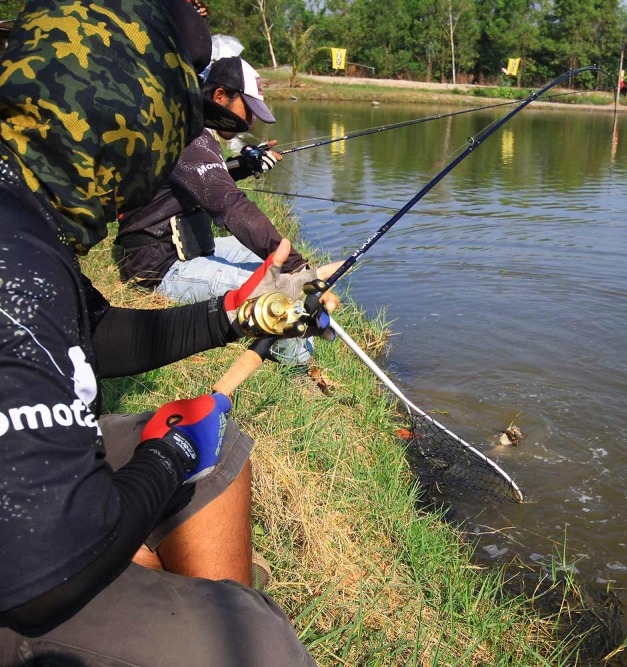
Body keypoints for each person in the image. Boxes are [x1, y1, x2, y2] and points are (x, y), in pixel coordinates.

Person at [0, 0, 340, 663]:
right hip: (31, 568)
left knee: (224, 455)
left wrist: (237, 316)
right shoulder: (14, 257)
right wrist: (166, 459)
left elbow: (97, 335)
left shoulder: (24, 214)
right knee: (263, 641)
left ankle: (198, 609)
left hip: (36, 490)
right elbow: (44, 575)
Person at [116, 56, 313, 363]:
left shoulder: (193, 127)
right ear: (220, 97)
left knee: (262, 263)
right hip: (159, 265)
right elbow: (230, 205)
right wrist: (298, 268)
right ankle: (303, 368)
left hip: (194, 248)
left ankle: (303, 340)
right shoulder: (190, 136)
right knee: (270, 292)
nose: (250, 122)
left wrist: (243, 166)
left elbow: (196, 181)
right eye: (247, 111)